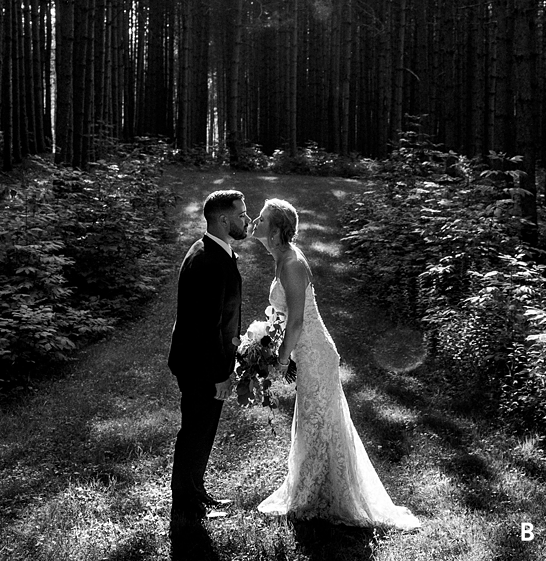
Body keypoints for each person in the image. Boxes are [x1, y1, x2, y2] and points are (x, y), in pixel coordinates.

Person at [252, 198, 420, 530]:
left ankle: (324, 494)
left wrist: (282, 359)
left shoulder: (291, 264)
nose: (254, 221)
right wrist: (267, 341)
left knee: (320, 421)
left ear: (273, 231)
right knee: (314, 420)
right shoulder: (281, 258)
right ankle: (315, 487)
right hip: (306, 350)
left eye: (261, 218)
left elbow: (297, 321)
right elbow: (285, 317)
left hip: (315, 353)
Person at [167, 189, 249, 525]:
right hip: (201, 366)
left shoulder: (215, 252)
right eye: (242, 214)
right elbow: (206, 328)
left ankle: (195, 492)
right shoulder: (208, 261)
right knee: (195, 432)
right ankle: (187, 504)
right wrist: (220, 375)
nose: (247, 219)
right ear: (224, 219)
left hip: (200, 362)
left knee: (200, 432)